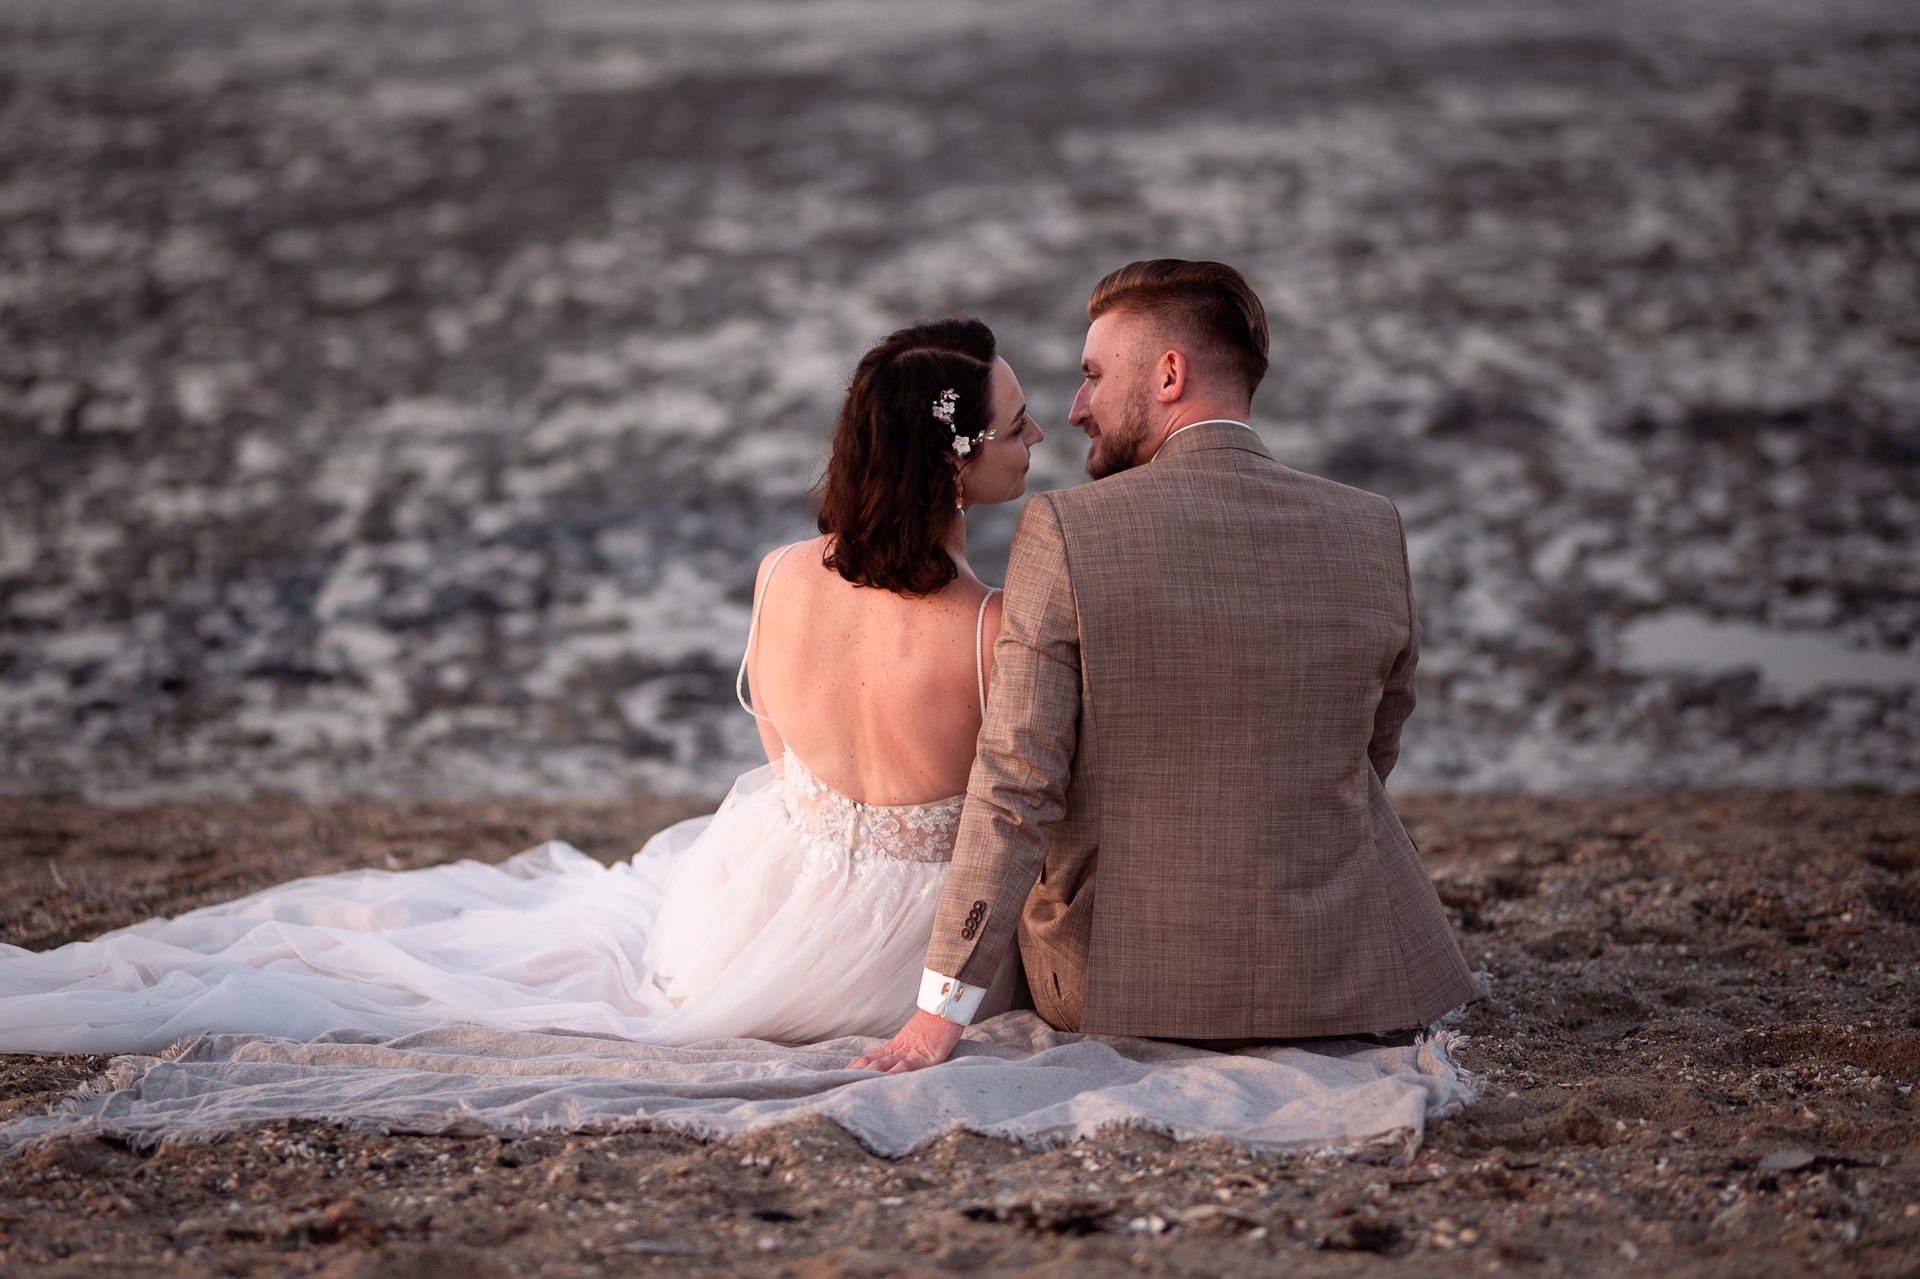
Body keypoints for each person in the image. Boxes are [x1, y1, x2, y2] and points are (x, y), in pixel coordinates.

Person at [0, 318, 1043, 1054]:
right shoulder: (990, 626)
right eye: (1015, 426)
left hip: (746, 910)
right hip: (899, 960)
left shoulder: (780, 574)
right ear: (950, 467)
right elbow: (1002, 834)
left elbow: (784, 759)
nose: (1038, 437)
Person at [853, 260, 1476, 1074]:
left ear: (1170, 375)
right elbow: (1375, 742)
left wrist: (940, 1011)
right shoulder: (1372, 525)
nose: (1075, 409)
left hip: (1125, 980)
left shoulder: (1065, 530)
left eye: (1092, 376)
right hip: (1342, 967)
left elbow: (1017, 781)